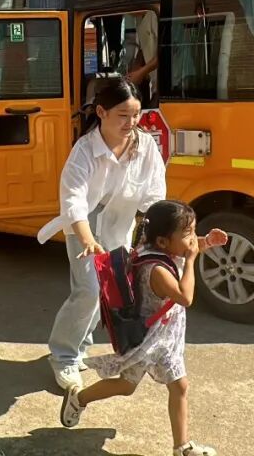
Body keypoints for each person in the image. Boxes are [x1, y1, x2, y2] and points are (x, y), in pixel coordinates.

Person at [59, 200, 226, 456]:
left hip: (166, 340)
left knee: (180, 386)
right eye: (188, 233)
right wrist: (192, 260)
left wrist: (206, 242)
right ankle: (78, 398)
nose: (193, 239)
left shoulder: (157, 249)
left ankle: (182, 447)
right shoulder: (157, 270)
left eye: (194, 231)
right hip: (149, 341)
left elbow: (184, 249)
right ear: (162, 241)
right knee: (126, 387)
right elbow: (185, 296)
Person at [37, 77, 166, 391]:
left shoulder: (145, 145)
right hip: (84, 225)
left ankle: (80, 346)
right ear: (102, 112)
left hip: (121, 224)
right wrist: (87, 240)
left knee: (110, 295)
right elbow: (73, 203)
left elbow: (154, 193)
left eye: (135, 115)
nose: (131, 122)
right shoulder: (83, 151)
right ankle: (64, 357)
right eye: (123, 115)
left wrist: (154, 236)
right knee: (89, 291)